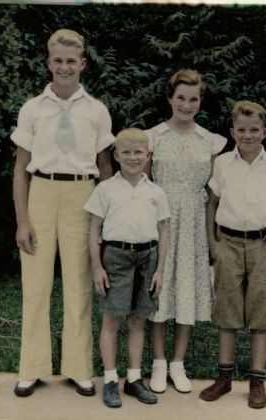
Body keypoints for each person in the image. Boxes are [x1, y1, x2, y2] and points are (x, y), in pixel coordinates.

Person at [11, 29, 114, 397]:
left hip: (82, 196)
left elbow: (105, 166)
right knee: (35, 284)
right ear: (48, 62)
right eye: (58, 60)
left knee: (79, 283)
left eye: (72, 61)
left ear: (83, 64)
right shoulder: (32, 108)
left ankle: (78, 367)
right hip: (41, 191)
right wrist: (23, 219)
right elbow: (21, 167)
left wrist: (107, 216)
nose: (65, 67)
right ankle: (32, 367)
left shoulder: (97, 110)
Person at [199, 100, 266, 408]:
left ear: (265, 132)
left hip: (264, 246)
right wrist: (212, 243)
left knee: (262, 314)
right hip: (228, 243)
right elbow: (212, 204)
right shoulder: (222, 164)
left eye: (254, 130)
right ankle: (224, 378)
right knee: (227, 313)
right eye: (241, 130)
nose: (247, 135)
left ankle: (257, 380)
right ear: (232, 131)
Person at [144, 69, 227, 393]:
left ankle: (178, 363)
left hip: (194, 221)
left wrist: (212, 237)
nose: (187, 104)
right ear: (170, 98)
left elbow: (214, 196)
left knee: (187, 290)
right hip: (160, 222)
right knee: (160, 291)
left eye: (193, 99)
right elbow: (144, 187)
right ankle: (158, 363)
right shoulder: (153, 137)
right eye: (181, 97)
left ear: (200, 101)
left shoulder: (210, 141)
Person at [84, 128, 170, 408]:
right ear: (116, 155)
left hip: (147, 257)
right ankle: (110, 379)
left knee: (137, 321)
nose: (133, 158)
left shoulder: (155, 191)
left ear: (148, 156)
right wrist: (97, 267)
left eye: (139, 152)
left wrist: (159, 270)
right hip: (116, 258)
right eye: (127, 152)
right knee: (112, 320)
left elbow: (163, 231)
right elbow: (94, 228)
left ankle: (133, 379)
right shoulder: (106, 188)